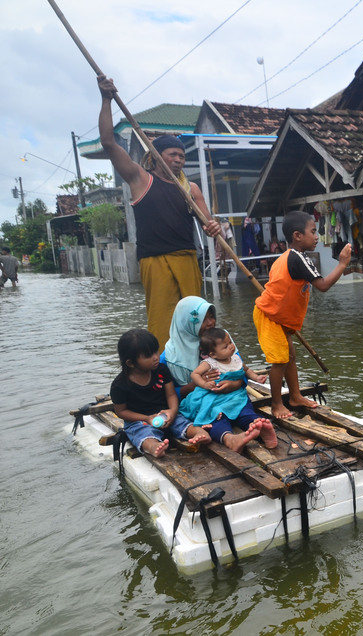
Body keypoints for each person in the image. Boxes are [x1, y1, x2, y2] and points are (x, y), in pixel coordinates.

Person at [98, 75, 221, 350]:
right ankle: (165, 369)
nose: (178, 160)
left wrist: (216, 228)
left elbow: (209, 224)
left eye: (182, 156)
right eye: (172, 155)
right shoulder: (140, 178)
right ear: (155, 156)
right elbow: (108, 142)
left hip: (187, 257)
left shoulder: (190, 188)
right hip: (154, 259)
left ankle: (200, 365)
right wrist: (106, 99)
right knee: (162, 319)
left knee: (197, 318)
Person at [254, 211, 352, 419]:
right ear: (297, 235)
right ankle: (277, 404)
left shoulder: (290, 258)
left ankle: (295, 396)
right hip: (269, 315)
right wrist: (342, 264)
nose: (317, 237)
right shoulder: (296, 258)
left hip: (278, 316)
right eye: (313, 232)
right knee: (279, 360)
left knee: (290, 356)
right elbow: (323, 286)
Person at [110, 328, 210, 458]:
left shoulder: (161, 370)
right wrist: (146, 418)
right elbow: (121, 412)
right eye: (148, 356)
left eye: (156, 351)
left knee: (183, 423)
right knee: (142, 433)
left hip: (166, 414)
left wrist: (172, 412)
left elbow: (171, 395)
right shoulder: (120, 385)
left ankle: (199, 434)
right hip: (140, 420)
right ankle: (153, 447)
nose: (156, 357)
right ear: (130, 363)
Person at [179, 327, 278, 452]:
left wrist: (256, 377)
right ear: (213, 354)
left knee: (245, 411)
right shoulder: (210, 363)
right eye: (225, 347)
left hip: (236, 396)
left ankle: (258, 426)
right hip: (215, 398)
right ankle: (228, 438)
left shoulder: (236, 358)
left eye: (230, 343)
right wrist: (204, 384)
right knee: (217, 417)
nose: (231, 347)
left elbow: (246, 370)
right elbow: (195, 374)